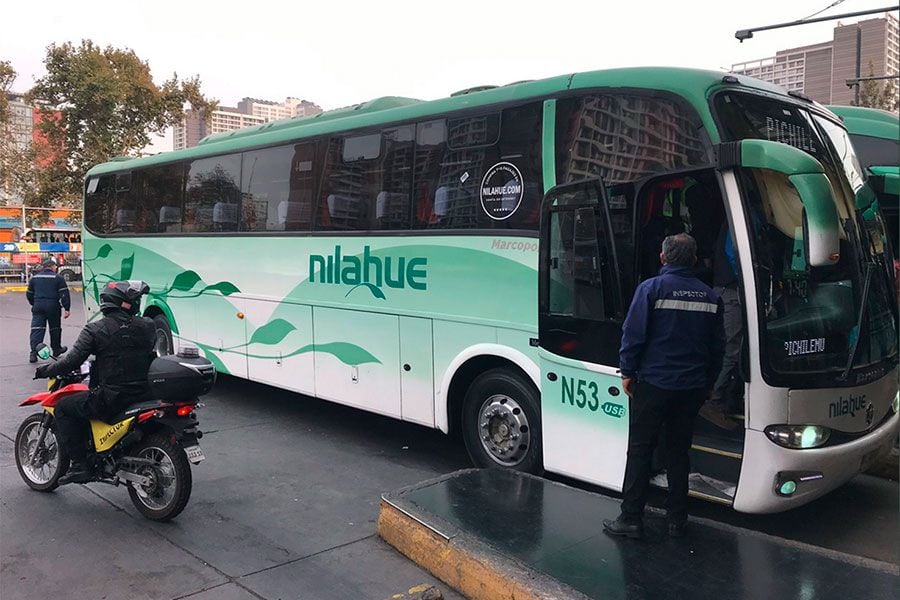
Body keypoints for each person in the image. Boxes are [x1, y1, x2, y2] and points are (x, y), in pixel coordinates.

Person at [603, 233, 725, 539]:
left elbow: (633, 335)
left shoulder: (650, 290)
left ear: (663, 258)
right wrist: (708, 384)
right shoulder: (711, 297)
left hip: (654, 384)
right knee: (678, 452)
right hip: (692, 388)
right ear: (695, 260)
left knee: (641, 449)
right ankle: (676, 520)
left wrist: (627, 372)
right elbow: (718, 349)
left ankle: (631, 518)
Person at [34, 281, 157, 484]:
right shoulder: (148, 326)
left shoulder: (95, 329)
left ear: (106, 303)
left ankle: (81, 465)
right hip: (146, 393)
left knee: (64, 407)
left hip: (112, 398)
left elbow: (72, 361)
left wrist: (44, 370)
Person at [703, 222, 743, 428]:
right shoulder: (744, 215)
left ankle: (725, 398)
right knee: (731, 349)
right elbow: (734, 254)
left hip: (727, 289)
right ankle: (715, 400)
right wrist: (750, 281)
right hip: (733, 291)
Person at [26, 257, 70, 363]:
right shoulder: (58, 278)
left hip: (38, 306)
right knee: (55, 329)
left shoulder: (34, 278)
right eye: (55, 266)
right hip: (53, 307)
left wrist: (34, 303)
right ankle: (56, 349)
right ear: (51, 267)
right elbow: (64, 294)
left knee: (37, 329)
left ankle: (33, 353)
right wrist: (67, 308)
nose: (56, 268)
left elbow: (29, 294)